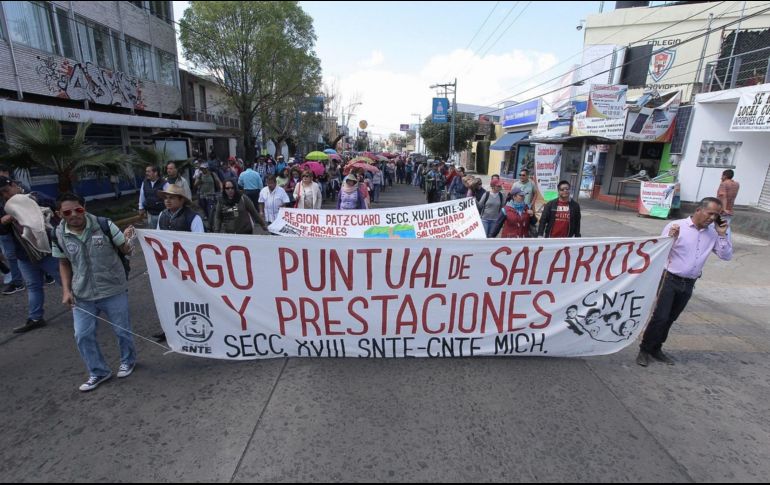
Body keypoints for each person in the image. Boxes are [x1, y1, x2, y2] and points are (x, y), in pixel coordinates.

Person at [52, 193, 137, 392]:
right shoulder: (57, 234)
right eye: (67, 212)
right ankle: (98, 371)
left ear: (85, 208)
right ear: (59, 214)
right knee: (82, 335)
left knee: (122, 330)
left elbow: (126, 250)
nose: (74, 214)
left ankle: (128, 360)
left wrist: (128, 240)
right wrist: (66, 290)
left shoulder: (104, 225)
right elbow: (63, 262)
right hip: (82, 294)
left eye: (78, 209)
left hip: (113, 289)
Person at [637, 197, 732, 367]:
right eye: (710, 213)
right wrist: (671, 239)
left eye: (716, 215)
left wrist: (723, 234)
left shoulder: (713, 233)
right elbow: (660, 250)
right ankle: (644, 349)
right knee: (660, 317)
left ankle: (656, 348)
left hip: (689, 283)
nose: (712, 218)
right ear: (698, 210)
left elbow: (726, 256)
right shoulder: (677, 226)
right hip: (669, 279)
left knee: (671, 318)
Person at [0, 176, 61, 333]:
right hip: (25, 254)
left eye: (6, 191)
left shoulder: (34, 196)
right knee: (33, 286)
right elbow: (3, 231)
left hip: (48, 250)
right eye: (1, 194)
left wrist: (26, 209)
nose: (5, 195)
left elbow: (52, 207)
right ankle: (35, 318)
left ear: (13, 185)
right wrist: (4, 221)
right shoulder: (4, 206)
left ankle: (85, 309)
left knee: (66, 281)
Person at [0, 165, 25, 295]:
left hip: (21, 228)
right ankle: (17, 281)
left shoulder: (17, 187)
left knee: (29, 252)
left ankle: (47, 275)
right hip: (5, 231)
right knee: (11, 256)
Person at [138, 165, 166, 230]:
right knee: (153, 233)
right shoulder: (144, 183)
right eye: (146, 171)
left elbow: (169, 197)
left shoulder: (164, 183)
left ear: (155, 173)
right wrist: (141, 208)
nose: (146, 173)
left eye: (148, 171)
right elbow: (142, 196)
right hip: (150, 214)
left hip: (162, 214)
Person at [716, 169, 739, 237]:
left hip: (722, 210)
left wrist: (724, 208)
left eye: (722, 176)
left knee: (720, 227)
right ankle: (727, 244)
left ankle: (719, 243)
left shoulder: (724, 184)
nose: (721, 177)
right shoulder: (736, 184)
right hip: (730, 209)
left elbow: (723, 196)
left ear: (725, 176)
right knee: (727, 227)